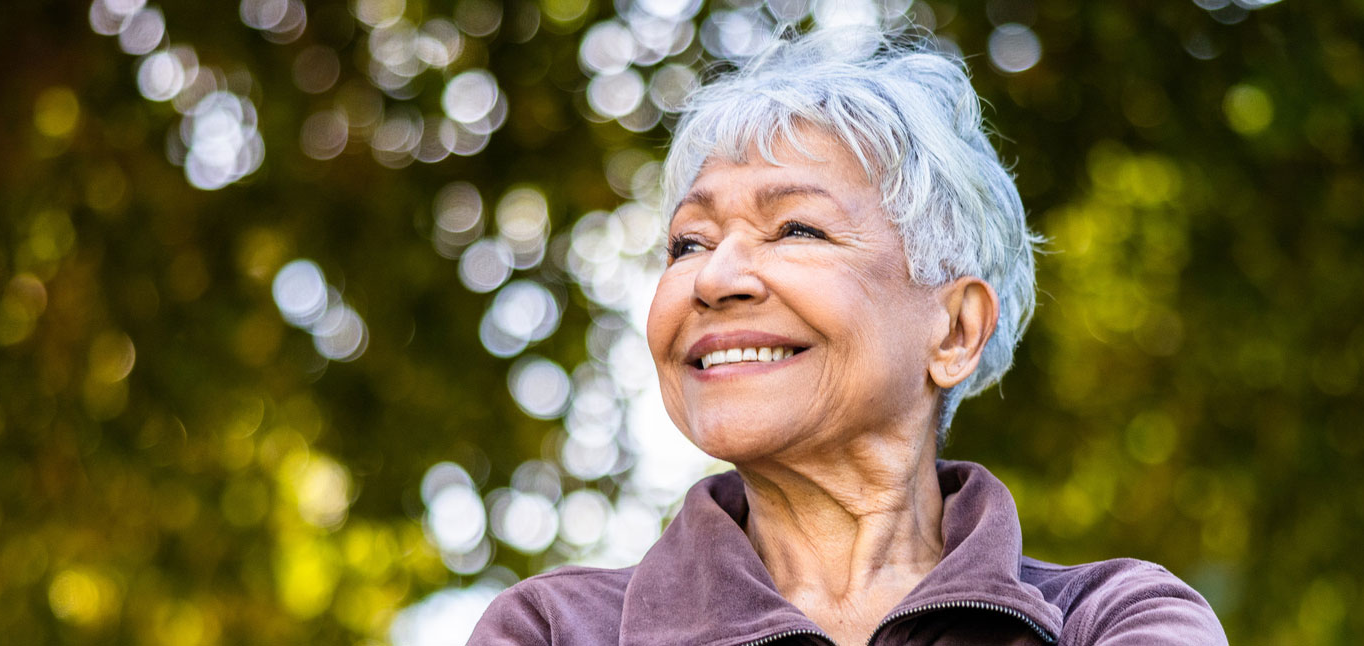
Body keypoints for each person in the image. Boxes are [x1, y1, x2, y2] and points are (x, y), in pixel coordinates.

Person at [469, 28, 1227, 645]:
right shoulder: (555, 630)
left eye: (796, 228)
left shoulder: (1117, 618)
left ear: (956, 330)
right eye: (688, 243)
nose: (713, 278)